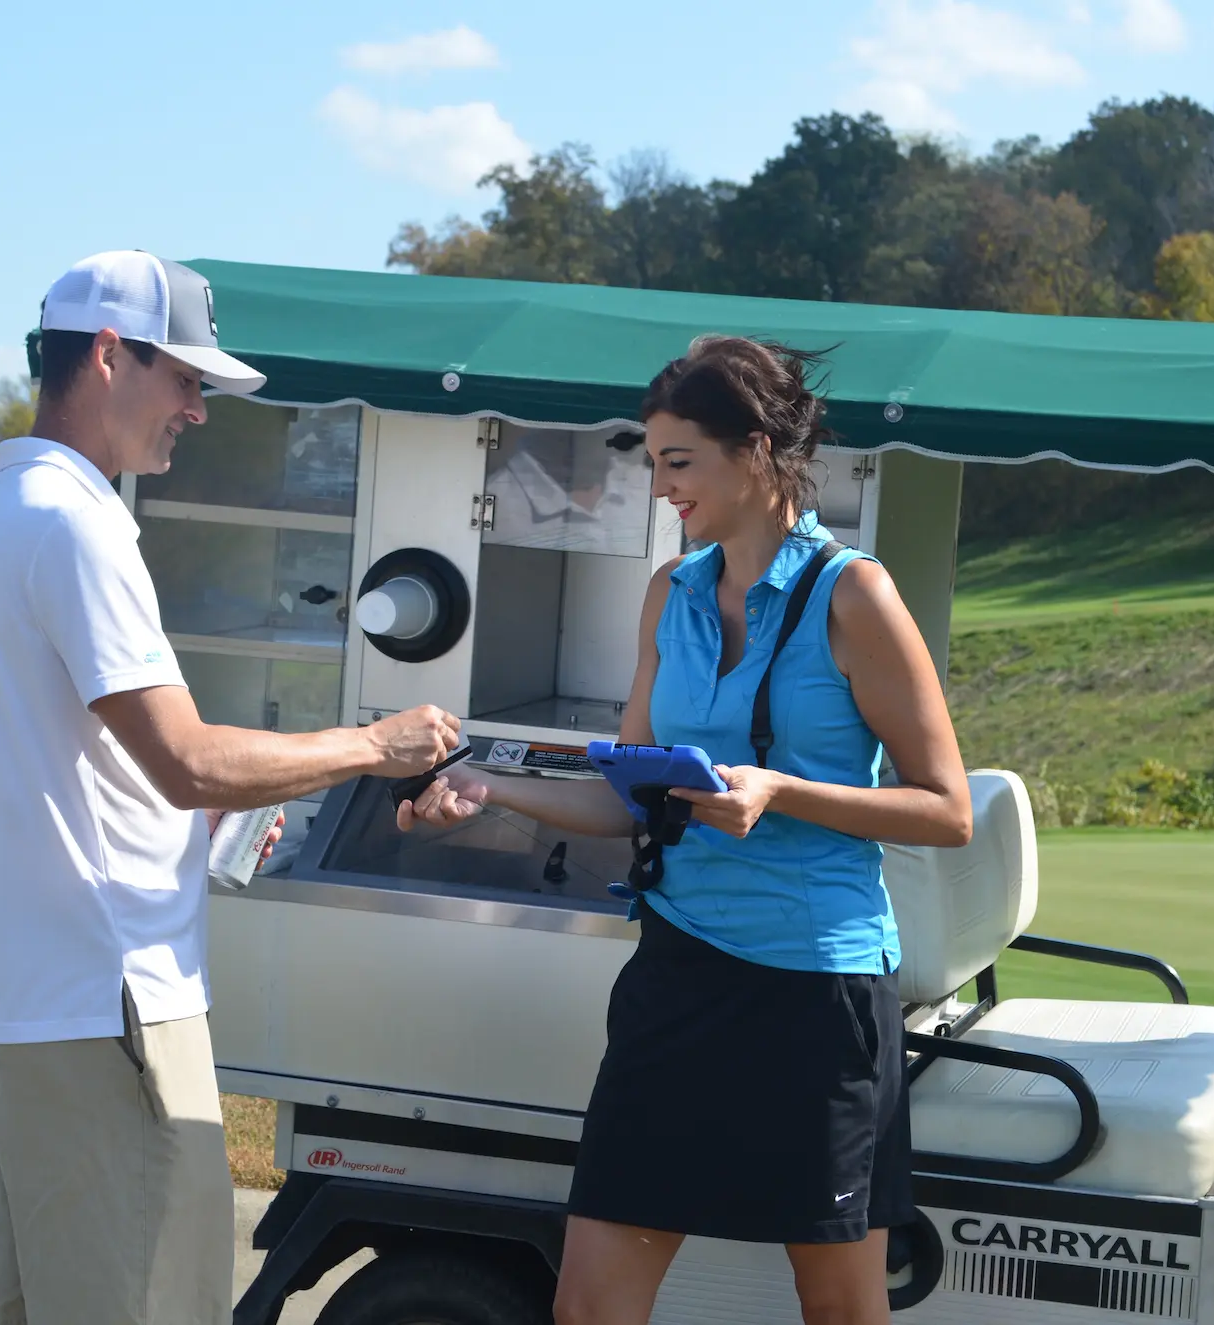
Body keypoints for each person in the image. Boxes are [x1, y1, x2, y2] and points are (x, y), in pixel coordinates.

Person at [401, 335, 972, 1325]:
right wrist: (485, 791)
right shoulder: (669, 594)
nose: (661, 487)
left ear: (752, 449)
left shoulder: (852, 595)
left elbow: (945, 809)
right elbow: (630, 796)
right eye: (653, 462)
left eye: (677, 461)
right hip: (677, 977)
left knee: (838, 1308)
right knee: (587, 1305)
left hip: (815, 991)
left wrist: (777, 790)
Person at [0, 250, 461, 1325]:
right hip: (110, 998)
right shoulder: (79, 525)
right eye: (183, 376)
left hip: (19, 1007)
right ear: (107, 354)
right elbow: (186, 762)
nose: (198, 407)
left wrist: (204, 811)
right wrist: (376, 744)